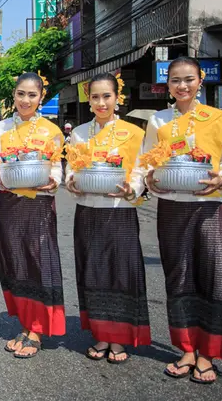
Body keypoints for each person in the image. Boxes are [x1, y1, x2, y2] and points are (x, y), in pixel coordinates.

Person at [141, 57, 222, 385]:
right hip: (171, 206)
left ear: (200, 81)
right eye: (175, 81)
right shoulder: (158, 121)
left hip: (210, 207)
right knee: (178, 275)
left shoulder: (219, 118)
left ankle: (208, 353)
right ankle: (185, 348)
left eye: (189, 80)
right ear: (167, 85)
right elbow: (147, 162)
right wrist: (150, 179)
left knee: (215, 276)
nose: (182, 86)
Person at [64, 73, 150, 364]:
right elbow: (71, 168)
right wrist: (71, 181)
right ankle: (100, 334)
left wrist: (132, 189)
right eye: (95, 97)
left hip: (120, 213)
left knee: (121, 272)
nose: (101, 103)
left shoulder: (135, 133)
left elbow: (140, 171)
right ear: (88, 100)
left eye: (107, 97)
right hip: (88, 211)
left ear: (117, 98)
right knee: (93, 271)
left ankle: (120, 337)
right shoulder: (78, 133)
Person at [0, 72, 64, 359]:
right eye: (21, 93)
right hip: (8, 205)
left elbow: (57, 167)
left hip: (38, 205)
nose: (26, 100)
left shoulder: (52, 131)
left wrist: (54, 181)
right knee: (14, 262)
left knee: (38, 262)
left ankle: (37, 329)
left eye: (32, 95)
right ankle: (25, 324)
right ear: (14, 94)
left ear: (41, 98)